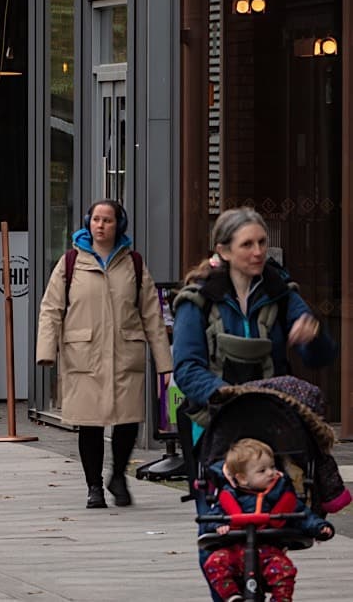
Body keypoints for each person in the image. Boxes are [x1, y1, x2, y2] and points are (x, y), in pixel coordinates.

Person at [35, 198, 173, 508]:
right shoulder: (71, 262)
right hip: (84, 356)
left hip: (125, 354)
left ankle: (118, 476)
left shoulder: (133, 263)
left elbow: (152, 314)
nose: (101, 225)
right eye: (96, 219)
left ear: (118, 225)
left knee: (128, 421)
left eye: (107, 220)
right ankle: (94, 487)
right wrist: (46, 351)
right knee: (90, 424)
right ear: (88, 222)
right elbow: (51, 308)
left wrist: (164, 362)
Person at [173, 208, 336, 437]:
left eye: (262, 242)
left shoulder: (281, 294)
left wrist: (313, 337)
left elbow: (320, 358)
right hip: (214, 424)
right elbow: (187, 369)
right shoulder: (198, 300)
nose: (258, 252)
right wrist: (230, 397)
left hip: (272, 423)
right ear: (224, 251)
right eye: (247, 245)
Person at [201, 438, 306, 601]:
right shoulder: (231, 496)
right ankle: (232, 596)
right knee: (213, 563)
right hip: (235, 550)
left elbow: (304, 514)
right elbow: (211, 517)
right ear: (242, 478)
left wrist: (320, 527)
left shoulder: (279, 495)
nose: (271, 473)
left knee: (285, 570)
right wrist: (218, 525)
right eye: (262, 470)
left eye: (272, 467)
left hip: (269, 551)